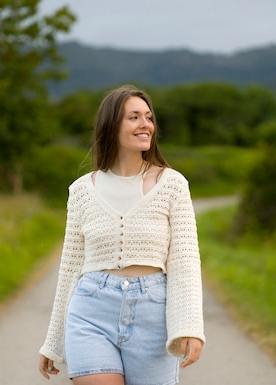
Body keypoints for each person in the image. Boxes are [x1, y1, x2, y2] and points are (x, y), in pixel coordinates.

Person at [38, 84, 205, 385]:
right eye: (134, 117)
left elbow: (185, 261)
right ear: (111, 125)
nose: (146, 125)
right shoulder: (81, 191)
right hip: (91, 311)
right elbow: (71, 267)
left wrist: (190, 326)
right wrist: (54, 340)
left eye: (149, 117)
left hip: (153, 318)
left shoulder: (172, 184)